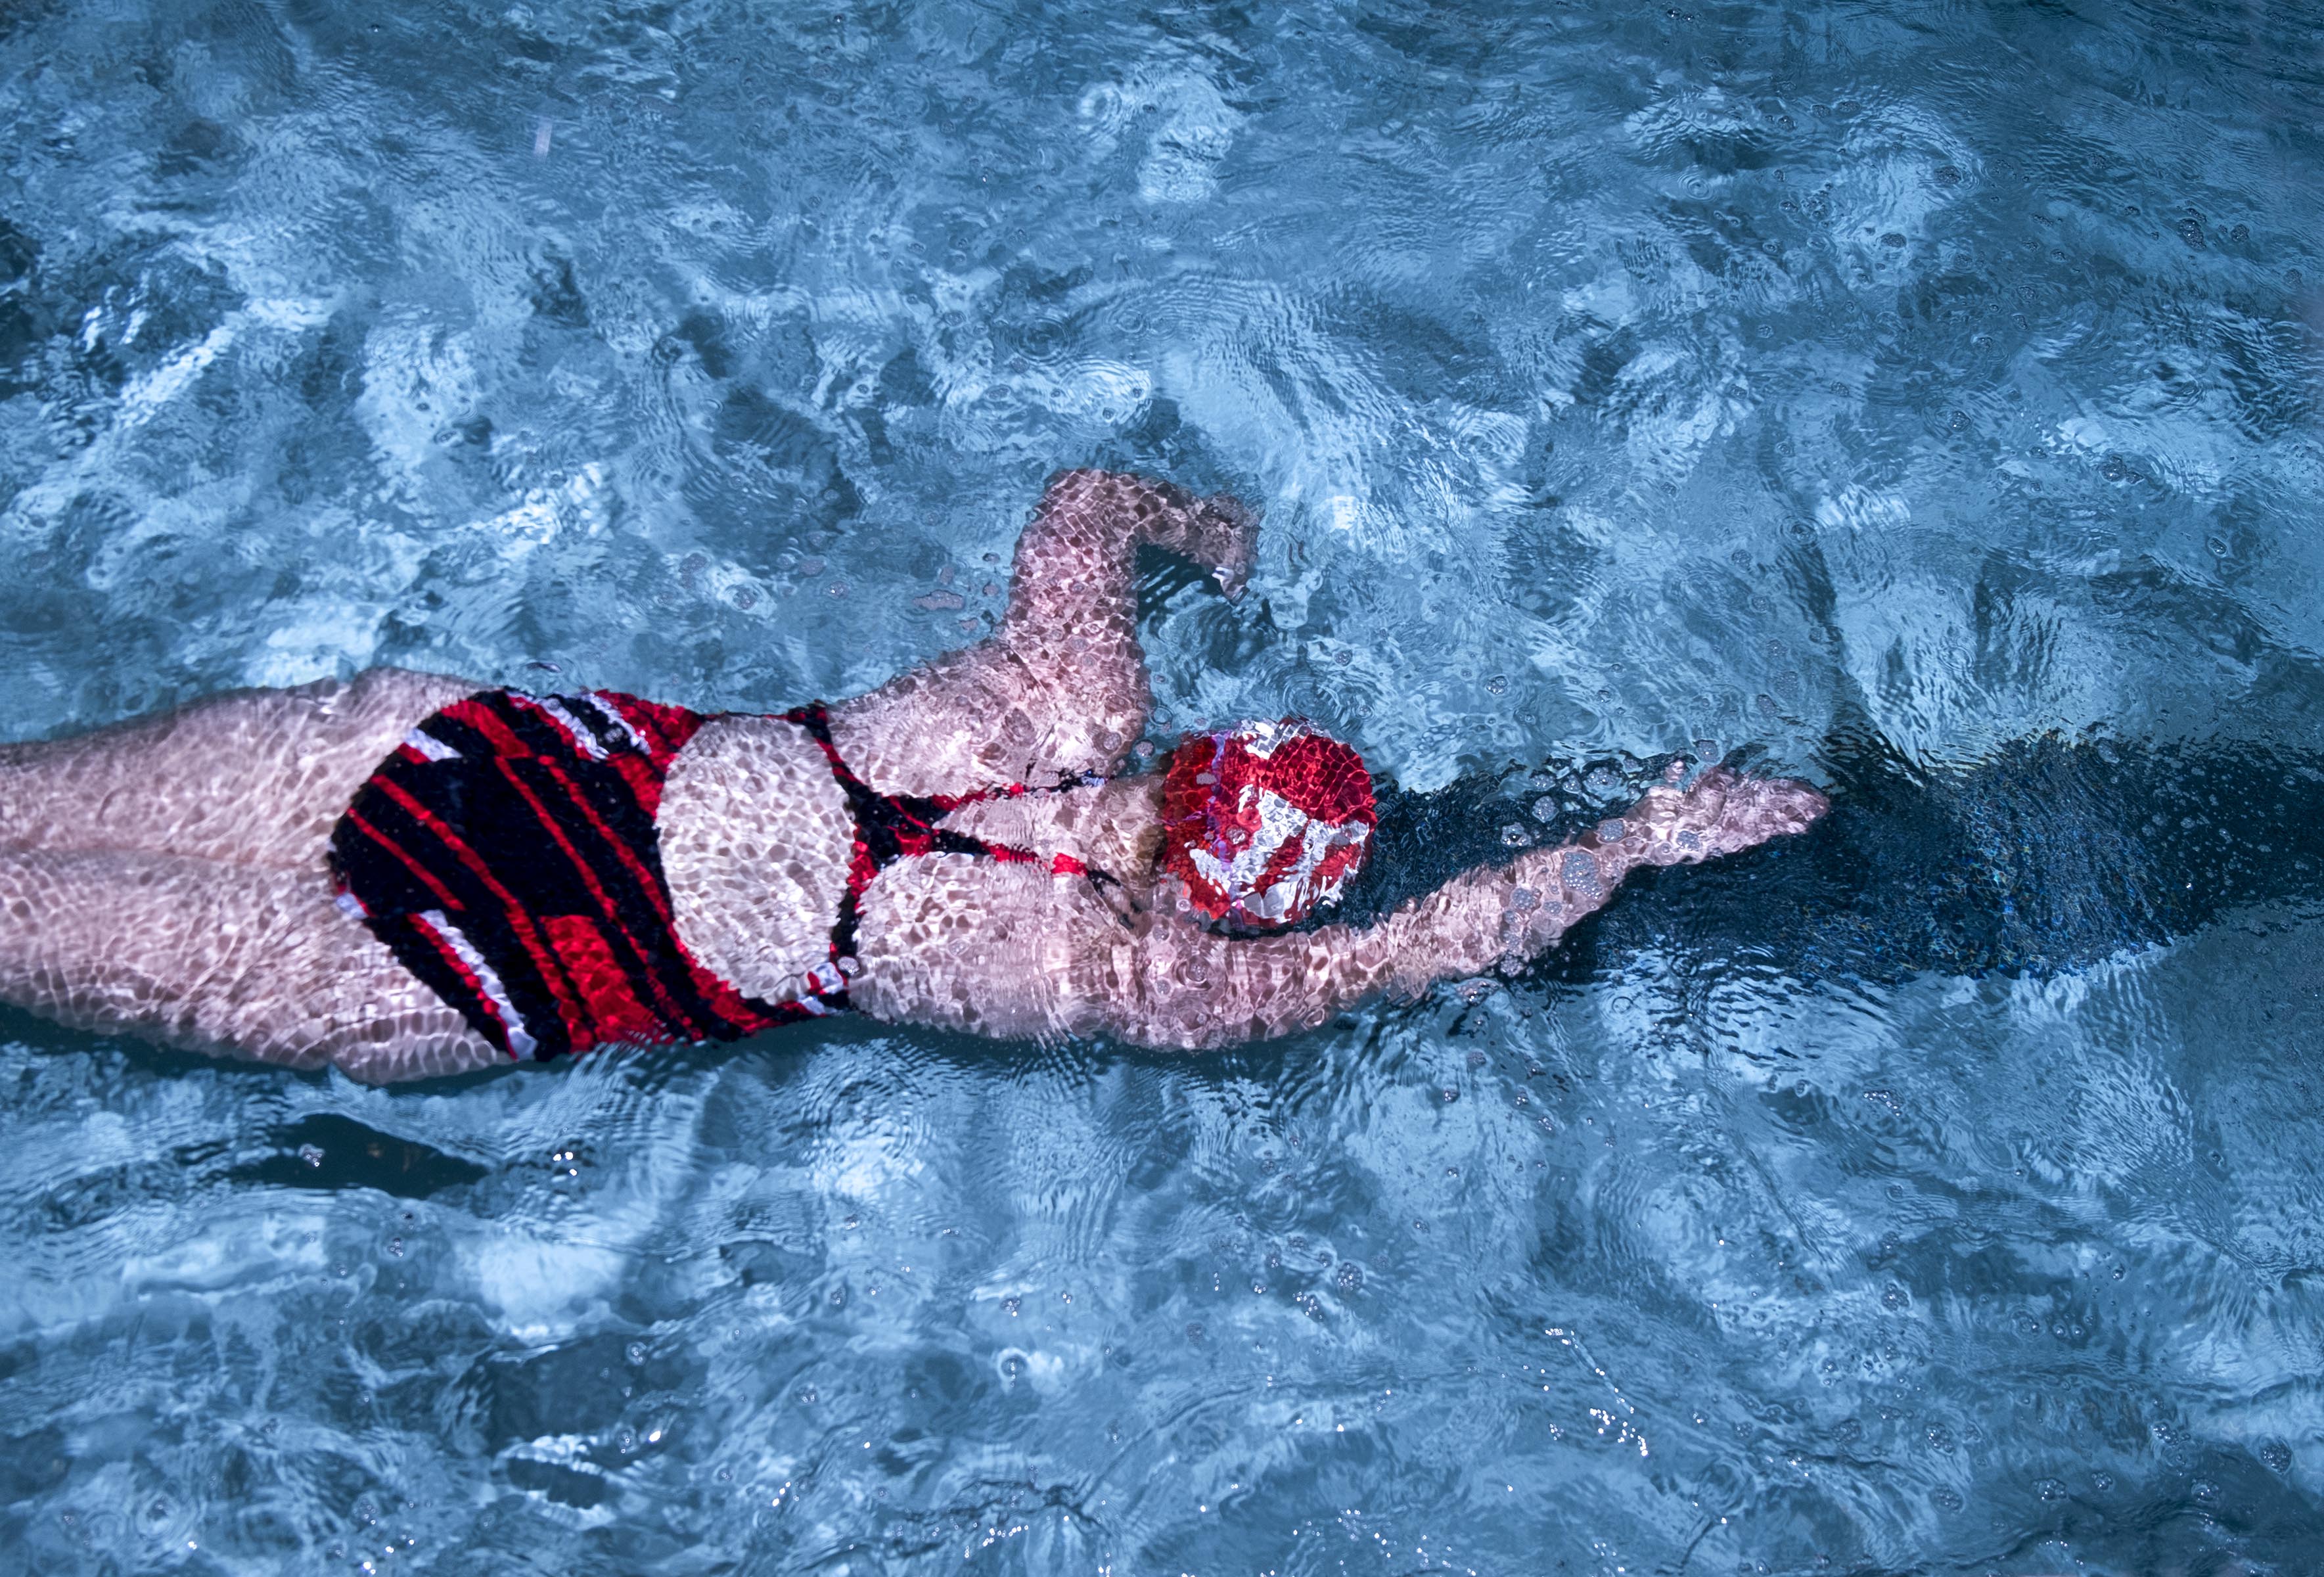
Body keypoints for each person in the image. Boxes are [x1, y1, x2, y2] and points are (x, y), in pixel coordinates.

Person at [0, 470, 1826, 1082]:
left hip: (459, 759)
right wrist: (1648, 839)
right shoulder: (1145, 976)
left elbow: (1081, 501)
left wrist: (1206, 527)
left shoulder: (1056, 695)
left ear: (1205, 753)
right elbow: (1441, 941)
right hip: (479, 970)